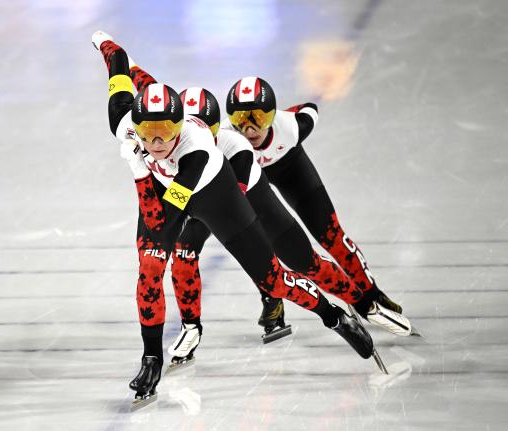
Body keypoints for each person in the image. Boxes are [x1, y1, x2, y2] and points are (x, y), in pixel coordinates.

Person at [91, 31, 375, 407]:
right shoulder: (124, 121)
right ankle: (151, 359)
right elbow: (120, 69)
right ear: (136, 127)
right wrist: (107, 44)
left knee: (272, 280)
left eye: (167, 132)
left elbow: (167, 217)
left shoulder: (195, 151)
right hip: (166, 189)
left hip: (214, 194)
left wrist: (140, 171)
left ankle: (332, 314)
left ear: (181, 127)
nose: (157, 142)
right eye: (149, 133)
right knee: (149, 268)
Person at [126, 59, 412, 368]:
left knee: (299, 262)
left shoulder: (235, 145)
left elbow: (237, 212)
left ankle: (361, 302)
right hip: (200, 197)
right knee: (183, 257)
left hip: (240, 197)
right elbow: (149, 92)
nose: (250, 128)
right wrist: (123, 61)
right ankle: (191, 328)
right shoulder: (171, 137)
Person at [223, 76, 413, 336]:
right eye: (240, 121)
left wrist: (283, 115)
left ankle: (372, 294)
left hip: (289, 165)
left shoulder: (291, 126)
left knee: (332, 235)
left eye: (259, 118)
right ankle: (271, 299)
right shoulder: (225, 140)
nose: (250, 129)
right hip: (254, 178)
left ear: (273, 115)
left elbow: (310, 108)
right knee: (262, 244)